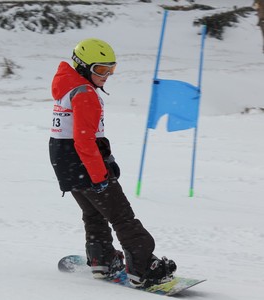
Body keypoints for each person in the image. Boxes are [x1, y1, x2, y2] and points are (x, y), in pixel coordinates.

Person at [49, 38, 176, 288]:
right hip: (83, 162)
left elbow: (80, 135)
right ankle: (144, 268)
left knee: (93, 212)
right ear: (83, 67)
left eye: (111, 69)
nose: (107, 75)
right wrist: (99, 177)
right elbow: (85, 141)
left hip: (64, 161)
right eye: (101, 70)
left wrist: (105, 158)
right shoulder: (84, 93)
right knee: (122, 216)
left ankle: (102, 259)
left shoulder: (69, 86)